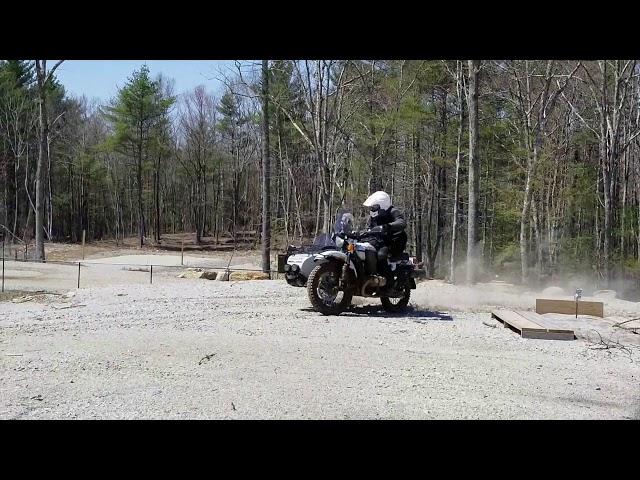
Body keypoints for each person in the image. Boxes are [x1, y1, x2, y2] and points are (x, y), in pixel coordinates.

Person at [360, 191, 408, 282]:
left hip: (394, 241)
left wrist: (388, 226)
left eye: (374, 207)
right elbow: (369, 228)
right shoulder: (373, 217)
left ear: (382, 205)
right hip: (379, 241)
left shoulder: (393, 211)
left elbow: (402, 222)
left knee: (381, 255)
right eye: (372, 207)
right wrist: (360, 234)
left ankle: (388, 283)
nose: (372, 209)